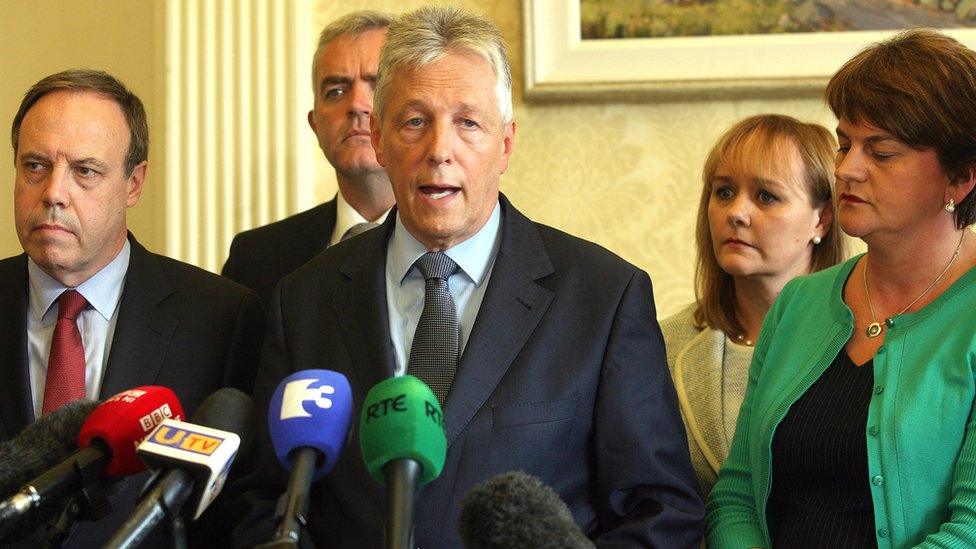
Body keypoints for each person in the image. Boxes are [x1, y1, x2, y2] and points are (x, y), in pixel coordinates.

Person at [231, 6, 704, 547]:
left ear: (504, 144)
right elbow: (265, 501)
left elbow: (661, 513)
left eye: (467, 123)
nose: (439, 151)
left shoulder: (602, 297)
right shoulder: (303, 299)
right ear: (381, 142)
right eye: (414, 122)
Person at [708, 29, 976, 548]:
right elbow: (737, 491)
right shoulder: (799, 303)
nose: (847, 169)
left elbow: (969, 529)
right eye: (846, 143)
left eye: (882, 153)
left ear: (961, 178)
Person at [0, 69, 265, 546]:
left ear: (133, 183)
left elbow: (236, 507)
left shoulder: (221, 317)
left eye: (85, 171)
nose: (54, 193)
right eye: (35, 166)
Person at [661, 114, 842, 498]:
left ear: (821, 220)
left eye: (766, 196)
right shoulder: (661, 344)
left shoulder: (860, 339)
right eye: (724, 191)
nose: (736, 213)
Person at [222, 10, 395, 305]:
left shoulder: (456, 239)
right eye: (336, 91)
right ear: (316, 125)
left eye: (376, 85)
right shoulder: (256, 258)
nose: (356, 105)